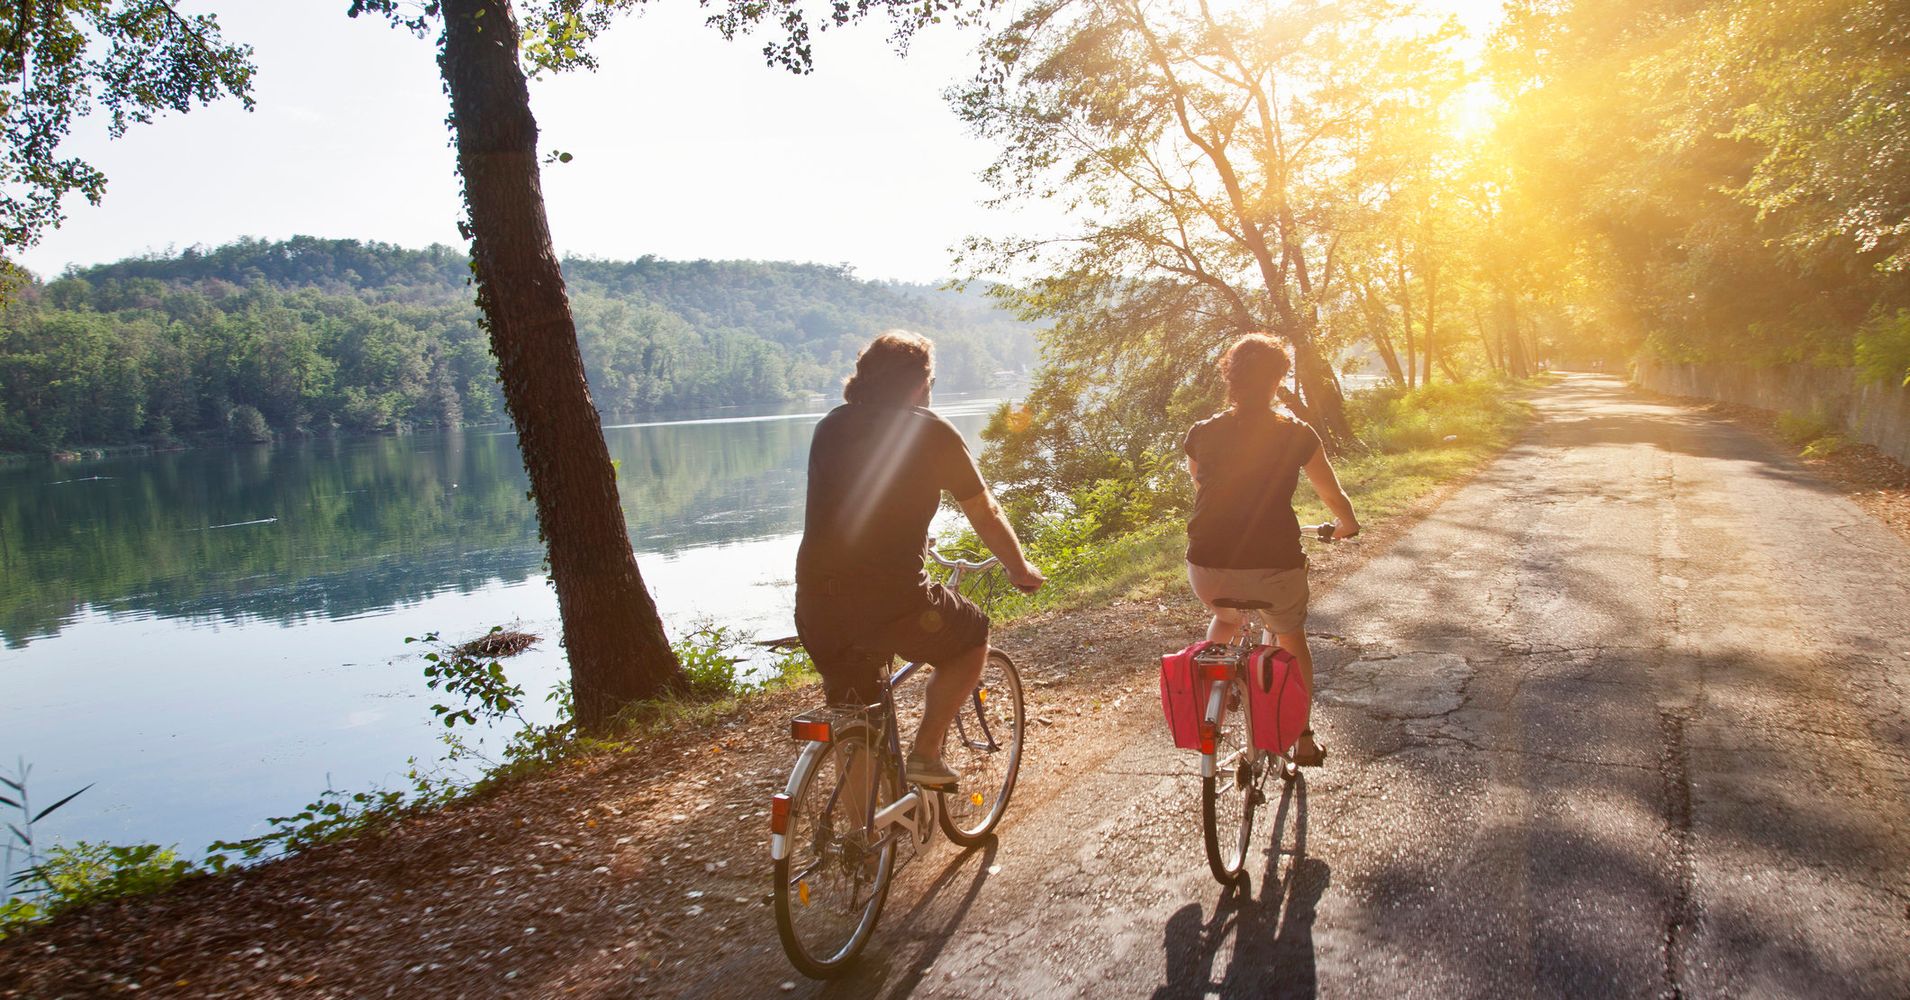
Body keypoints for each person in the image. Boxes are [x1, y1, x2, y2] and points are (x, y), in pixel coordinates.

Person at [795, 330, 1044, 787]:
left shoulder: (830, 425)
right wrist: (1018, 568)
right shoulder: (930, 430)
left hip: (818, 606)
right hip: (891, 602)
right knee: (971, 638)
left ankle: (860, 851)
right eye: (929, 379)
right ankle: (926, 753)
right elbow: (985, 511)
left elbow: (858, 498)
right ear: (918, 384)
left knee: (857, 722)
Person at [1183, 333, 1358, 767]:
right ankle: (1300, 736)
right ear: (1279, 379)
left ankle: (1212, 711)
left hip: (1207, 566)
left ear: (1230, 376)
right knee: (1289, 635)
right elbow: (1331, 495)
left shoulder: (1202, 432)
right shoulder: (1296, 433)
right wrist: (1348, 524)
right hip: (1274, 566)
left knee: (1224, 618)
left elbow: (1201, 486)